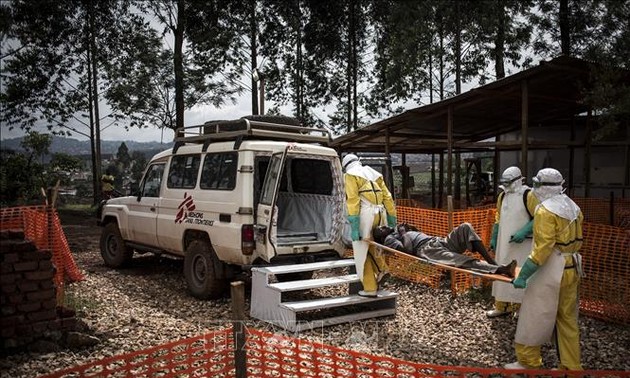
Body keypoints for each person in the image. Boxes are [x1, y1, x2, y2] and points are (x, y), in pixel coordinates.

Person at [505, 168, 584, 371]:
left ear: (544, 186)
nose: (535, 188)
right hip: (572, 268)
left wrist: (523, 275)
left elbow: (542, 250)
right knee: (567, 320)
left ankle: (528, 362)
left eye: (537, 184)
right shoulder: (573, 207)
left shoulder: (545, 210)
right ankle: (571, 367)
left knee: (534, 315)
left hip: (551, 270)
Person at [486, 166, 539, 318]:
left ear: (517, 181)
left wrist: (525, 231)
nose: (506, 186)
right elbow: (498, 217)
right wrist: (494, 237)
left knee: (521, 272)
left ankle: (521, 308)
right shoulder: (502, 196)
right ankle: (502, 306)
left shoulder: (529, 195)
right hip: (504, 244)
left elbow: (539, 216)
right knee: (502, 271)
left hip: (523, 245)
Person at [372, 223, 516, 277]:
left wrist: (408, 228)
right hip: (427, 250)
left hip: (437, 241)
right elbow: (406, 251)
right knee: (462, 261)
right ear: (382, 236)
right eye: (381, 229)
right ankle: (499, 270)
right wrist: (403, 233)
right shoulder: (389, 239)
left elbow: (417, 232)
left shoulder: (397, 230)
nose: (384, 226)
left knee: (465, 228)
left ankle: (492, 261)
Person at [343, 153, 396, 297]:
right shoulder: (375, 174)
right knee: (374, 245)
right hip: (380, 213)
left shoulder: (350, 175)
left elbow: (353, 200)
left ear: (345, 166)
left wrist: (354, 226)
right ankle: (382, 268)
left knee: (361, 252)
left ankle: (370, 288)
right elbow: (388, 197)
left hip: (365, 215)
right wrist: (392, 218)